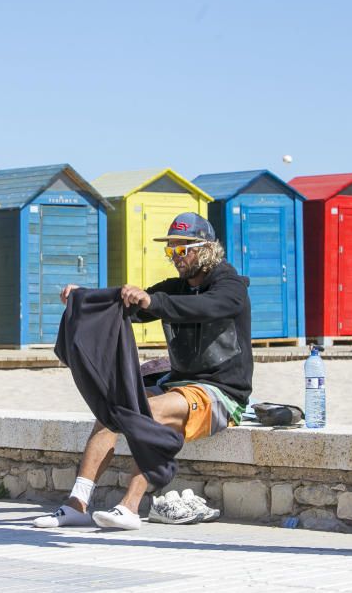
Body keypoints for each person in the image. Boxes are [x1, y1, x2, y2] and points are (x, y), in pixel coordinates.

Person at [34, 212, 252, 531]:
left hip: (221, 395)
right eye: (171, 251)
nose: (176, 257)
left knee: (147, 412)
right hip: (178, 385)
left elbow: (208, 307)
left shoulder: (230, 286)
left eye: (182, 249)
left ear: (206, 248)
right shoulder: (175, 287)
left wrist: (153, 302)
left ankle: (130, 508)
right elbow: (129, 307)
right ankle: (77, 503)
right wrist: (84, 297)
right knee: (112, 411)